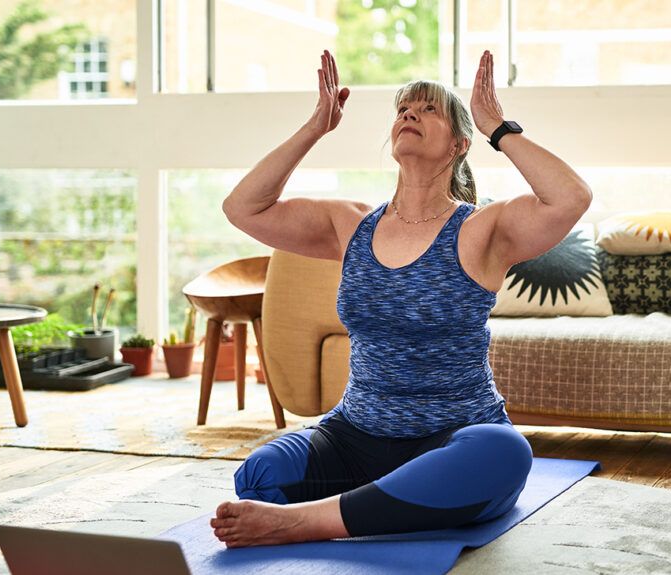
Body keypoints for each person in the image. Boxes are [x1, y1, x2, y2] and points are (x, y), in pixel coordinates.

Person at [212, 49, 592, 548]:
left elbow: (571, 197)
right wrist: (315, 127)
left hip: (456, 439)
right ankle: (384, 504)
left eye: (428, 108)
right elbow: (243, 207)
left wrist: (497, 126)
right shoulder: (348, 224)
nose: (410, 113)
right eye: (403, 109)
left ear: (459, 144)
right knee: (260, 475)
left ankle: (306, 521)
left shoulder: (482, 229)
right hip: (353, 438)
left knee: (505, 453)